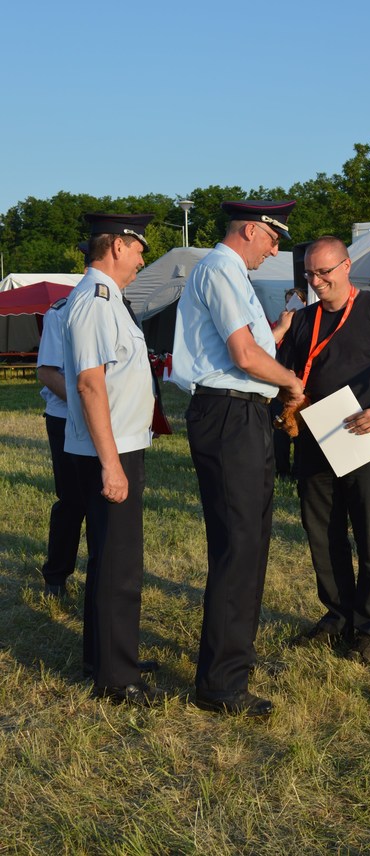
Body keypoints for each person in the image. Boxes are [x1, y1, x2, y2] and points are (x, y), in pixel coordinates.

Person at [171, 199, 305, 716]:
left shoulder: (230, 274)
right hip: (229, 416)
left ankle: (233, 663)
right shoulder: (222, 270)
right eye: (273, 240)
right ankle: (221, 684)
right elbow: (244, 357)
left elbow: (249, 347)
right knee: (237, 545)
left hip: (241, 414)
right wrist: (293, 382)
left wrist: (278, 333)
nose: (273, 251)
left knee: (249, 542)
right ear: (252, 229)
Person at [278, 236, 370, 665]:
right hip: (315, 440)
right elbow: (284, 371)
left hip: (363, 438)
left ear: (346, 266)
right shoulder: (304, 320)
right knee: (322, 535)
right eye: (309, 273)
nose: (316, 280)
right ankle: (338, 615)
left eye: (323, 271)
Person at [62, 213, 165, 706]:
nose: (143, 259)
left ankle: (107, 656)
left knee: (110, 560)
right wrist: (111, 464)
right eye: (139, 248)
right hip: (111, 450)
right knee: (119, 567)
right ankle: (115, 677)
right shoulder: (95, 302)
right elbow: (89, 383)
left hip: (119, 445)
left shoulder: (107, 301)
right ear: (118, 246)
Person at [37, 288, 90, 599]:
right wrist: (87, 410)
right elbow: (47, 372)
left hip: (109, 420)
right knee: (72, 500)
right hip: (66, 416)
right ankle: (56, 577)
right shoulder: (63, 310)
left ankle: (102, 576)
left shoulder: (118, 306)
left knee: (103, 504)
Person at [271, 288, 307, 479]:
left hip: (301, 385)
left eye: (295, 302)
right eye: (288, 302)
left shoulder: (308, 327)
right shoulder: (279, 326)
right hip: (280, 386)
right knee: (280, 432)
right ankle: (282, 470)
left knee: (300, 431)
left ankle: (299, 469)